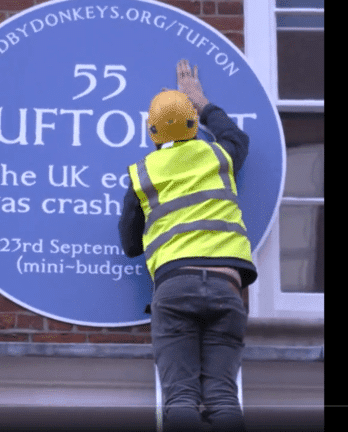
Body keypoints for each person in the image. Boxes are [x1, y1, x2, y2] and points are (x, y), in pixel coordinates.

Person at [118, 59, 257, 432]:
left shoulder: (143, 174)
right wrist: (201, 100)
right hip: (227, 287)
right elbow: (236, 137)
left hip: (175, 287)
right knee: (223, 397)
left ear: (152, 132)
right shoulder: (219, 155)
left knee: (180, 398)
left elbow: (130, 244)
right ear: (194, 124)